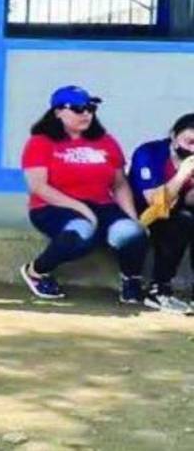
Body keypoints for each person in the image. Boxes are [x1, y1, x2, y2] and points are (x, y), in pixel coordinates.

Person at [19, 85, 148, 304]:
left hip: (102, 204)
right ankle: (36, 271)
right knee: (81, 232)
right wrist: (82, 210)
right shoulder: (40, 142)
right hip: (52, 206)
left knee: (131, 233)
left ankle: (131, 280)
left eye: (90, 108)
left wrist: (133, 218)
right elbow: (39, 187)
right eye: (78, 109)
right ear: (58, 111)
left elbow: (119, 184)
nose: (86, 113)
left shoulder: (106, 141)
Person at [128, 113, 194, 315]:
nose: (193, 149)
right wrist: (183, 173)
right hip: (144, 214)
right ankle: (159, 290)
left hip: (176, 211)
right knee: (183, 221)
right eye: (190, 141)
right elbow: (155, 204)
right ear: (174, 136)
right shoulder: (149, 153)